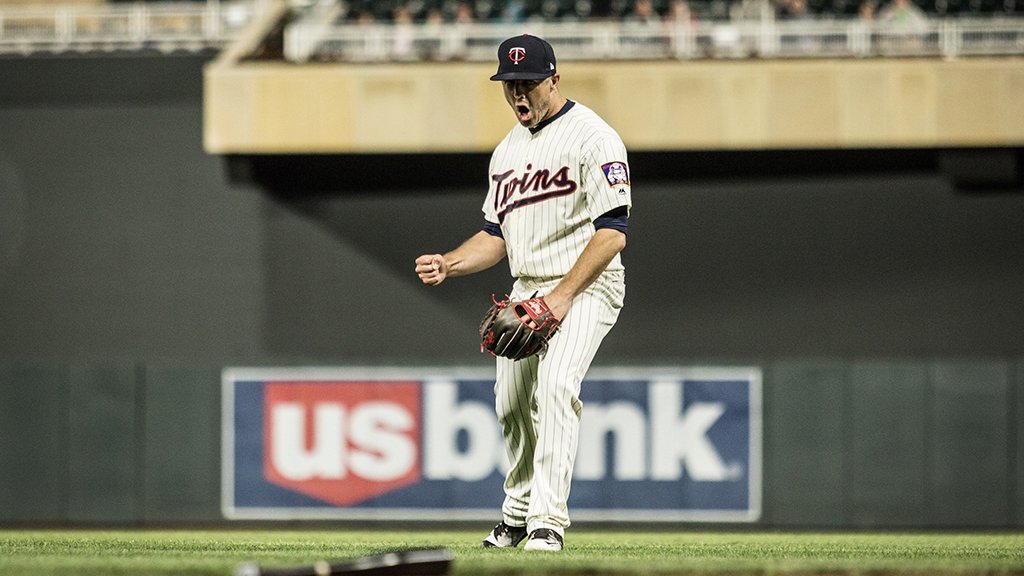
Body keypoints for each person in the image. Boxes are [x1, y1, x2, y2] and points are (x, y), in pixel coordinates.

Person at [414, 34, 631, 552]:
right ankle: (516, 515)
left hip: (587, 285)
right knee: (510, 404)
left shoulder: (594, 137)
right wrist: (450, 262)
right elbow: (495, 237)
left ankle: (546, 522)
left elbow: (613, 233)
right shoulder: (506, 152)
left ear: (554, 80)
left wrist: (561, 298)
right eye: (510, 83)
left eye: (529, 82)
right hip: (526, 289)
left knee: (555, 387)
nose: (518, 93)